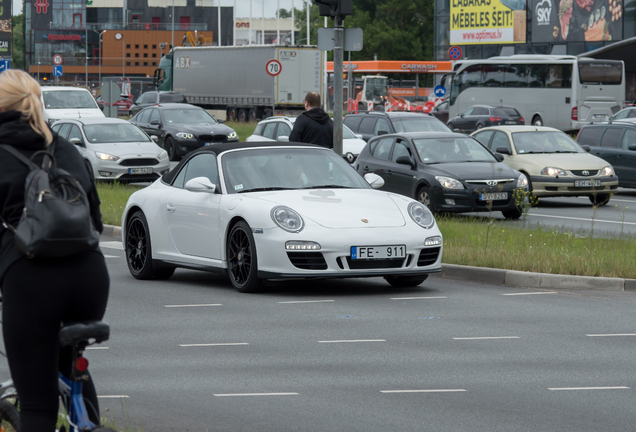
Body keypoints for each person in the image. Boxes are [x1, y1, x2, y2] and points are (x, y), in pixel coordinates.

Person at [0, 70, 110, 432]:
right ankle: (89, 423)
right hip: (90, 277)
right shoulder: (66, 148)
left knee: (37, 406)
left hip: (30, 278)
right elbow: (94, 221)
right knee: (68, 362)